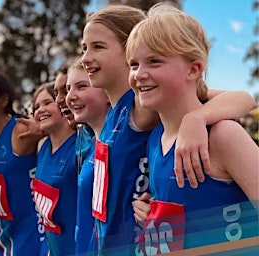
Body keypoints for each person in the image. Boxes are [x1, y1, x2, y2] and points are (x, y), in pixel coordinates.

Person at [80, 4, 256, 254]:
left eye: (154, 61)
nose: (140, 74)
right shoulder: (155, 139)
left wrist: (198, 117)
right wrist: (154, 216)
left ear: (193, 69)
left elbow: (245, 98)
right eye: (133, 64)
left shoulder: (223, 135)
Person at [0, 71, 45, 255]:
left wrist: (42, 130)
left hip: (28, 236)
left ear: (3, 100)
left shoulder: (20, 131)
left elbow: (53, 133)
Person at [64, 58, 111, 255]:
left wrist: (196, 118)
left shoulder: (123, 137)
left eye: (82, 86)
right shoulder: (92, 143)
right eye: (68, 89)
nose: (70, 97)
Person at [31, 82, 77, 255]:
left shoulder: (80, 148)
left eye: (47, 103)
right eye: (36, 106)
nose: (40, 110)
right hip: (50, 247)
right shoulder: (41, 146)